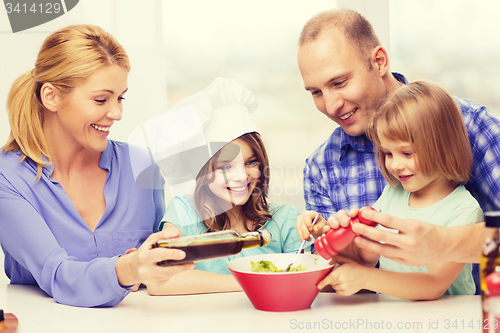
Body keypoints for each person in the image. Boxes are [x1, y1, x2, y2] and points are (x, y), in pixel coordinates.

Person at [0, 25, 193, 307]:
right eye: (101, 99)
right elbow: (57, 275)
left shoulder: (141, 166)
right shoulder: (9, 177)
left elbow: (159, 267)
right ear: (51, 96)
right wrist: (130, 267)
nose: (116, 113)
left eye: (120, 97)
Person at [296, 8, 500, 267]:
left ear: (379, 61)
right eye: (315, 92)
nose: (331, 105)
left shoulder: (469, 125)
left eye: (339, 83)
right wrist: (327, 240)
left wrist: (443, 242)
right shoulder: (321, 168)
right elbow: (333, 276)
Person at [306, 81, 483, 299]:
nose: (395, 165)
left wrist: (364, 277)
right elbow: (365, 257)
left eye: (407, 153)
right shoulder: (393, 194)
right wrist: (336, 237)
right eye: (388, 153)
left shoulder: (463, 209)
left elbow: (434, 285)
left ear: (444, 147)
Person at [146, 78, 308, 295]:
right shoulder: (184, 213)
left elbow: (303, 280)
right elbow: (160, 280)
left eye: (251, 162)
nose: (241, 176)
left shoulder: (285, 220)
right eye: (225, 166)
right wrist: (254, 283)